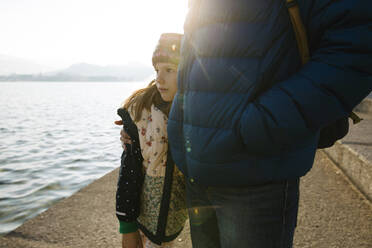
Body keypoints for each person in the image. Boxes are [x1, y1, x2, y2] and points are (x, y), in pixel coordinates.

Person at [163, 0, 371, 247]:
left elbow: (357, 43)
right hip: (198, 172)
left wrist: (264, 123)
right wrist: (175, 122)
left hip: (256, 173)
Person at [115, 33, 187, 248]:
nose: (160, 79)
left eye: (169, 70)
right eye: (157, 70)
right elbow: (129, 168)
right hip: (145, 216)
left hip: (174, 217)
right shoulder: (143, 112)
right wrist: (127, 225)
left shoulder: (195, 110)